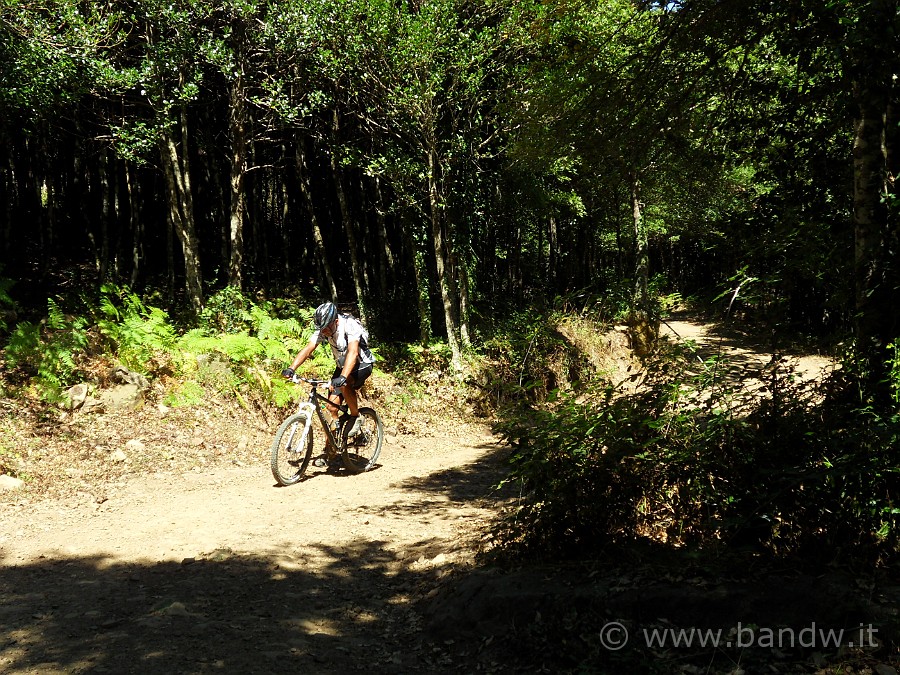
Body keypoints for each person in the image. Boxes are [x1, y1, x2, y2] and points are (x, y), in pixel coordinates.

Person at [281, 301, 375, 441]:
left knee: (345, 382)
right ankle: (332, 451)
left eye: (325, 327)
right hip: (343, 366)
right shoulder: (324, 328)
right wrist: (291, 368)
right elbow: (308, 349)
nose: (323, 331)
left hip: (362, 364)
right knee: (331, 408)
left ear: (335, 321)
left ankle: (356, 416)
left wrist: (342, 377)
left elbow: (353, 352)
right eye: (321, 328)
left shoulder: (349, 324)